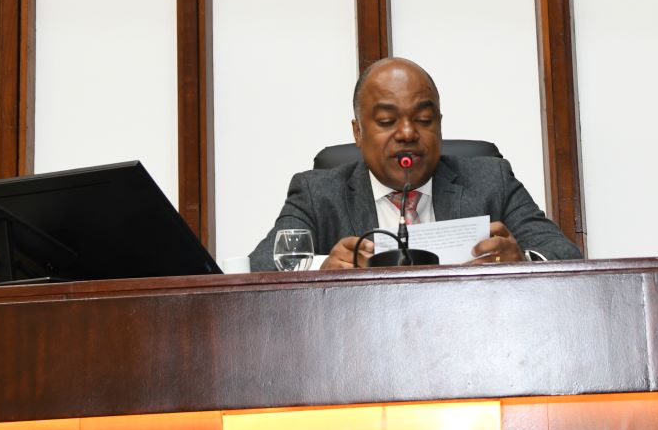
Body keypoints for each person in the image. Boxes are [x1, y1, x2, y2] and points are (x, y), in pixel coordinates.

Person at [248, 57, 582, 270]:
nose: (408, 133)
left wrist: (521, 261)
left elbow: (564, 254)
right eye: (386, 121)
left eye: (423, 120)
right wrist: (320, 269)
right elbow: (259, 267)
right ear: (358, 132)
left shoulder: (492, 181)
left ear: (439, 125)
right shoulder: (317, 194)